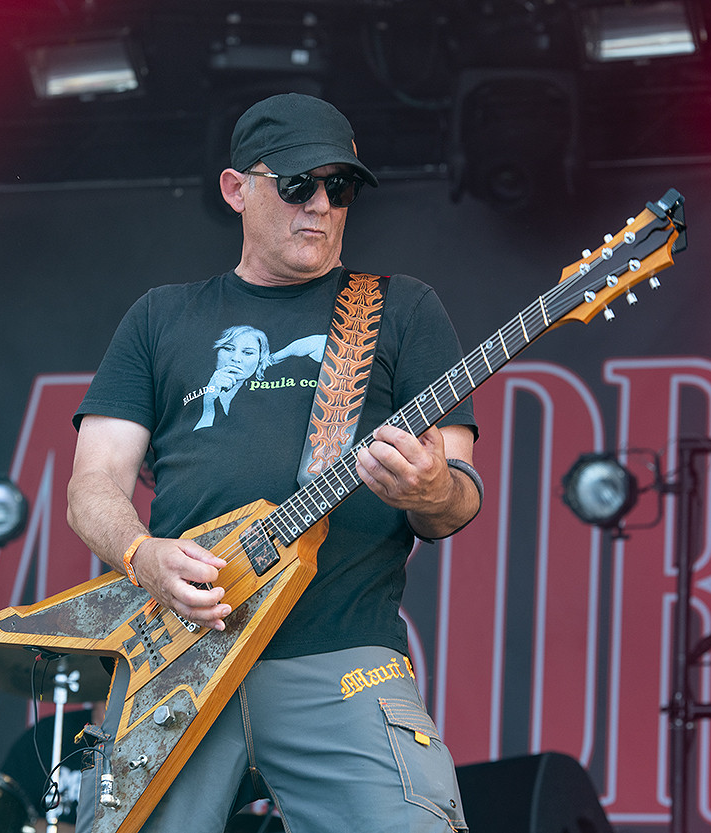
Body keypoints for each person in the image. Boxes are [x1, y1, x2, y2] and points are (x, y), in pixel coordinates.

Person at [66, 92, 482, 833]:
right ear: (237, 189)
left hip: (343, 658)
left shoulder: (403, 309)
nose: (320, 205)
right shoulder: (161, 316)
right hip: (181, 660)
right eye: (297, 184)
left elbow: (456, 500)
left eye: (339, 188)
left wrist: (432, 487)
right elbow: (92, 483)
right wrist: (142, 555)